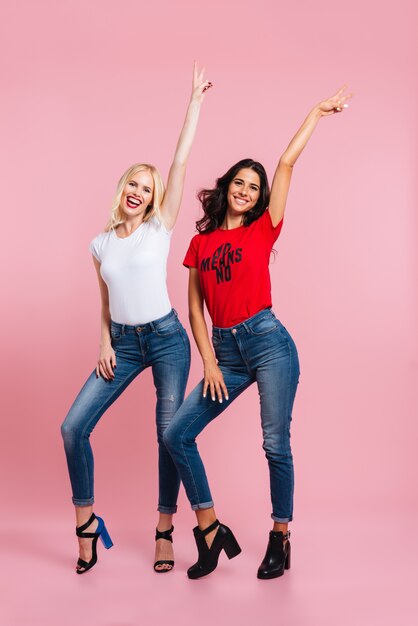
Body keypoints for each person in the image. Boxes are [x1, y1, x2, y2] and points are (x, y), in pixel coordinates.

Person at [164, 86, 352, 579]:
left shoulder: (263, 228)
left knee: (274, 442)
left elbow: (286, 165)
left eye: (254, 186)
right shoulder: (201, 243)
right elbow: (194, 308)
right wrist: (207, 361)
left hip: (268, 343)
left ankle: (280, 537)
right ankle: (210, 530)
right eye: (239, 183)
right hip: (223, 351)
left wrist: (314, 112)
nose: (246, 190)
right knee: (177, 434)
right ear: (226, 187)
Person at [60, 63, 212, 574]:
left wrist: (193, 103)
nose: (140, 191)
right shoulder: (99, 244)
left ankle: (165, 528)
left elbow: (180, 159)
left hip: (168, 338)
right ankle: (86, 527)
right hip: (122, 344)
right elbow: (105, 300)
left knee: (167, 433)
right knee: (73, 428)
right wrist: (104, 341)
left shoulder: (159, 229)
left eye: (148, 188)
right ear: (122, 186)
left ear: (152, 200)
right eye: (135, 182)